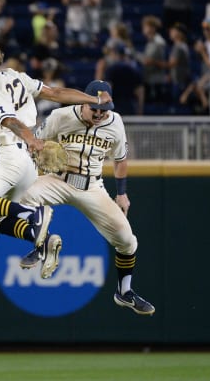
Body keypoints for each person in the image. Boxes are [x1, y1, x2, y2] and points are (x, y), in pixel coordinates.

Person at [0, 45, 113, 279]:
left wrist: (30, 138)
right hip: (27, 163)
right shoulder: (13, 76)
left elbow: (8, 119)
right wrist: (94, 100)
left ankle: (31, 214)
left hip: (8, 155)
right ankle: (41, 241)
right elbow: (55, 93)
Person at [18, 80, 156, 315]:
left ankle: (124, 292)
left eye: (105, 110)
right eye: (95, 109)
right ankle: (42, 244)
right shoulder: (61, 116)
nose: (100, 114)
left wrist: (121, 194)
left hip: (92, 187)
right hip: (57, 180)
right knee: (20, 195)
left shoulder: (115, 123)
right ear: (84, 101)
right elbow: (32, 143)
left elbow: (120, 159)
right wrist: (37, 153)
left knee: (127, 240)